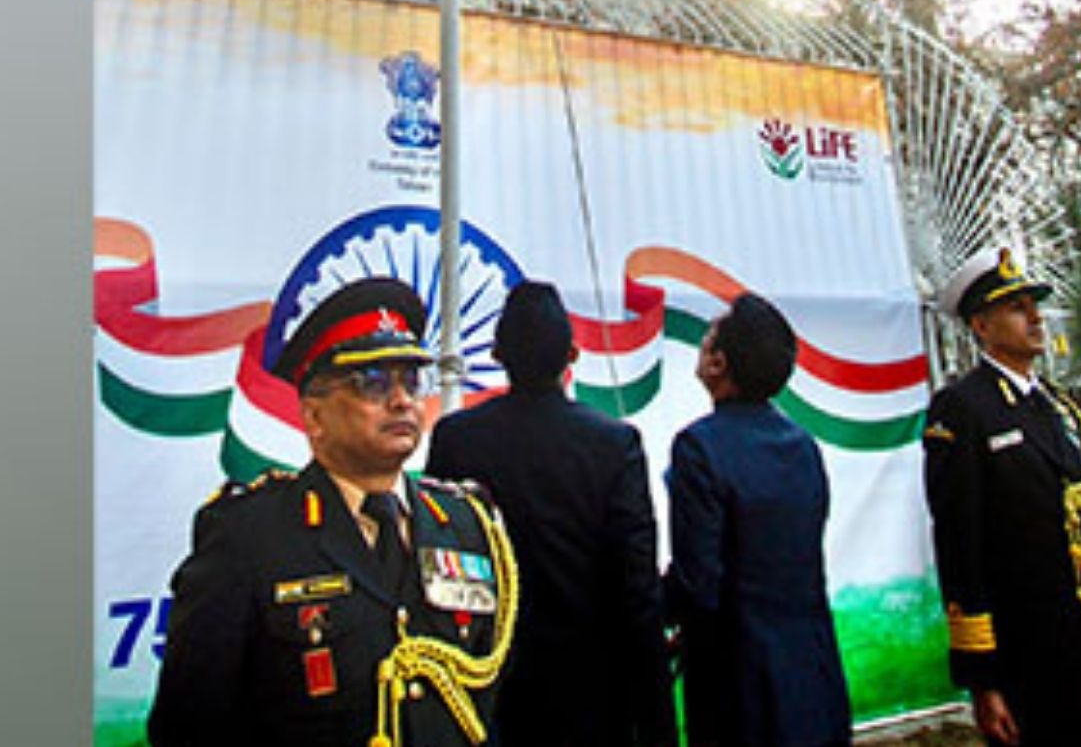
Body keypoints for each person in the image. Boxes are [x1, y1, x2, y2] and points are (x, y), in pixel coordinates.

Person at [148, 277, 517, 747]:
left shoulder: (467, 523)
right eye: (373, 383)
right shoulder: (248, 537)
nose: (403, 401)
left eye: (411, 380)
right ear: (314, 416)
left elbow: (496, 698)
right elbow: (188, 723)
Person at [426, 280, 677, 747]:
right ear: (572, 355)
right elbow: (637, 588)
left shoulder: (456, 440)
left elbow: (438, 572)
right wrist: (658, 724)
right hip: (593, 695)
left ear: (498, 355)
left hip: (489, 693)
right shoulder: (615, 445)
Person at [923, 247, 1081, 746]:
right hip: (1028, 651)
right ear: (981, 326)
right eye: (1017, 308)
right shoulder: (963, 409)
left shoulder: (1057, 406)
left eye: (1035, 306)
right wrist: (983, 680)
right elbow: (959, 544)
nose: (1035, 318)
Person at [665, 292, 851, 747]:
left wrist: (645, 610)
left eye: (708, 337)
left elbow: (698, 581)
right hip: (812, 672)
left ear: (718, 364)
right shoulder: (803, 445)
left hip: (740, 685)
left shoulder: (699, 448)